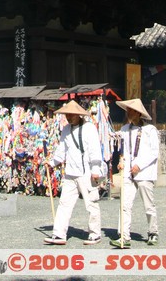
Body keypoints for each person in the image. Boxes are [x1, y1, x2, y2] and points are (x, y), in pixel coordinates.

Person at [44, 100, 103, 246]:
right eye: (67, 115)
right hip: (70, 172)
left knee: (91, 204)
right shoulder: (66, 129)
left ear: (78, 115)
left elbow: (95, 150)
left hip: (86, 172)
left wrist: (95, 170)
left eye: (71, 114)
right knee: (64, 204)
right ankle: (59, 234)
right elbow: (61, 150)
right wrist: (52, 163)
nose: (69, 117)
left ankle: (95, 234)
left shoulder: (89, 128)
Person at [109, 98, 159, 249]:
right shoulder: (124, 129)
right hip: (128, 172)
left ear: (138, 113)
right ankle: (124, 236)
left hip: (144, 171)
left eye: (131, 111)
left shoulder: (150, 130)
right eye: (128, 111)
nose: (129, 113)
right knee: (125, 204)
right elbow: (123, 150)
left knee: (148, 204)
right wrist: (122, 161)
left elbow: (154, 152)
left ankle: (153, 232)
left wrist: (139, 165)